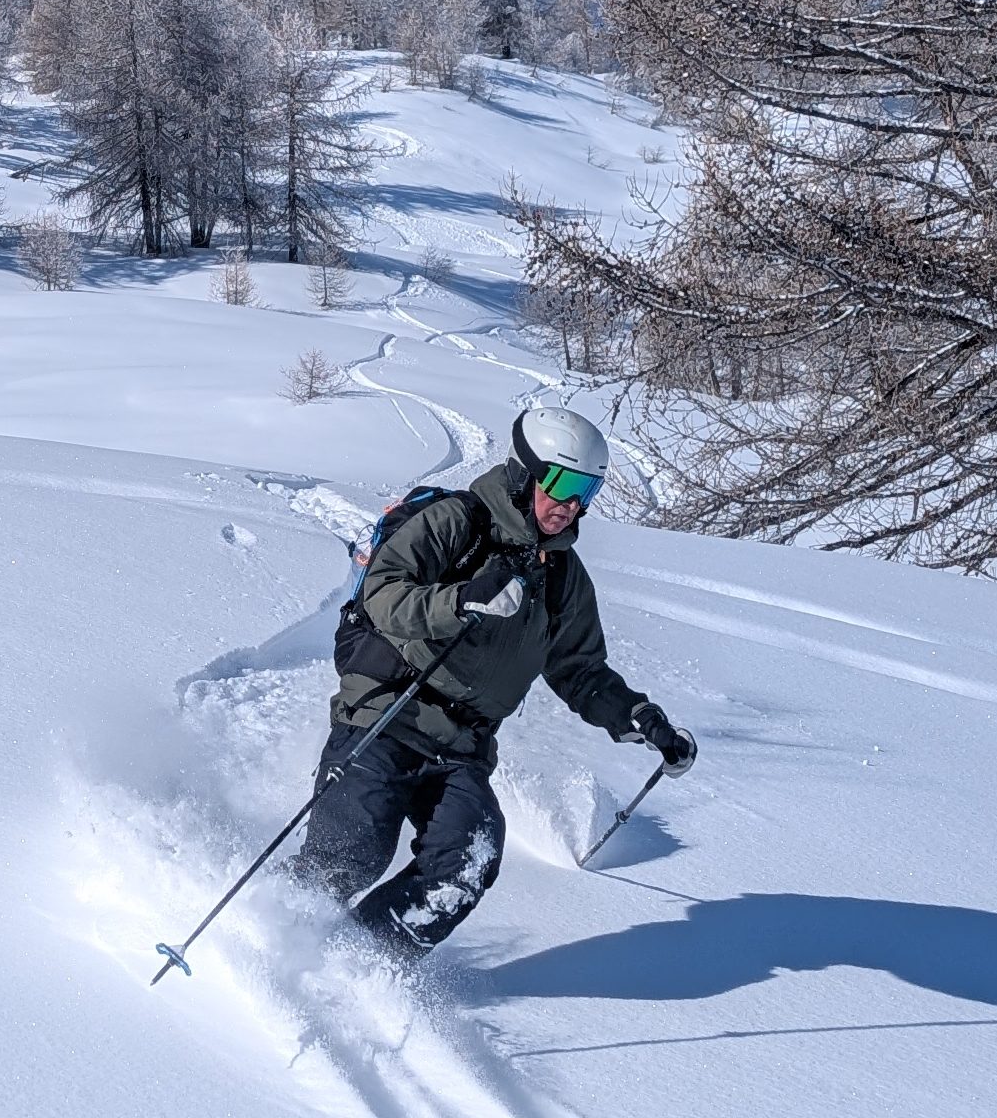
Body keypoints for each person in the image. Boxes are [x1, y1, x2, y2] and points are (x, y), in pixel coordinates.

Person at [294, 406, 696, 958]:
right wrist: (460, 600)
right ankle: (268, 937)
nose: (572, 504)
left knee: (466, 862)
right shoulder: (457, 523)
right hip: (387, 714)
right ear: (525, 474)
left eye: (587, 491)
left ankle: (356, 964)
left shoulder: (562, 576)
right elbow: (382, 594)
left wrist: (640, 718)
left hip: (463, 746)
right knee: (353, 854)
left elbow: (581, 670)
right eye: (564, 485)